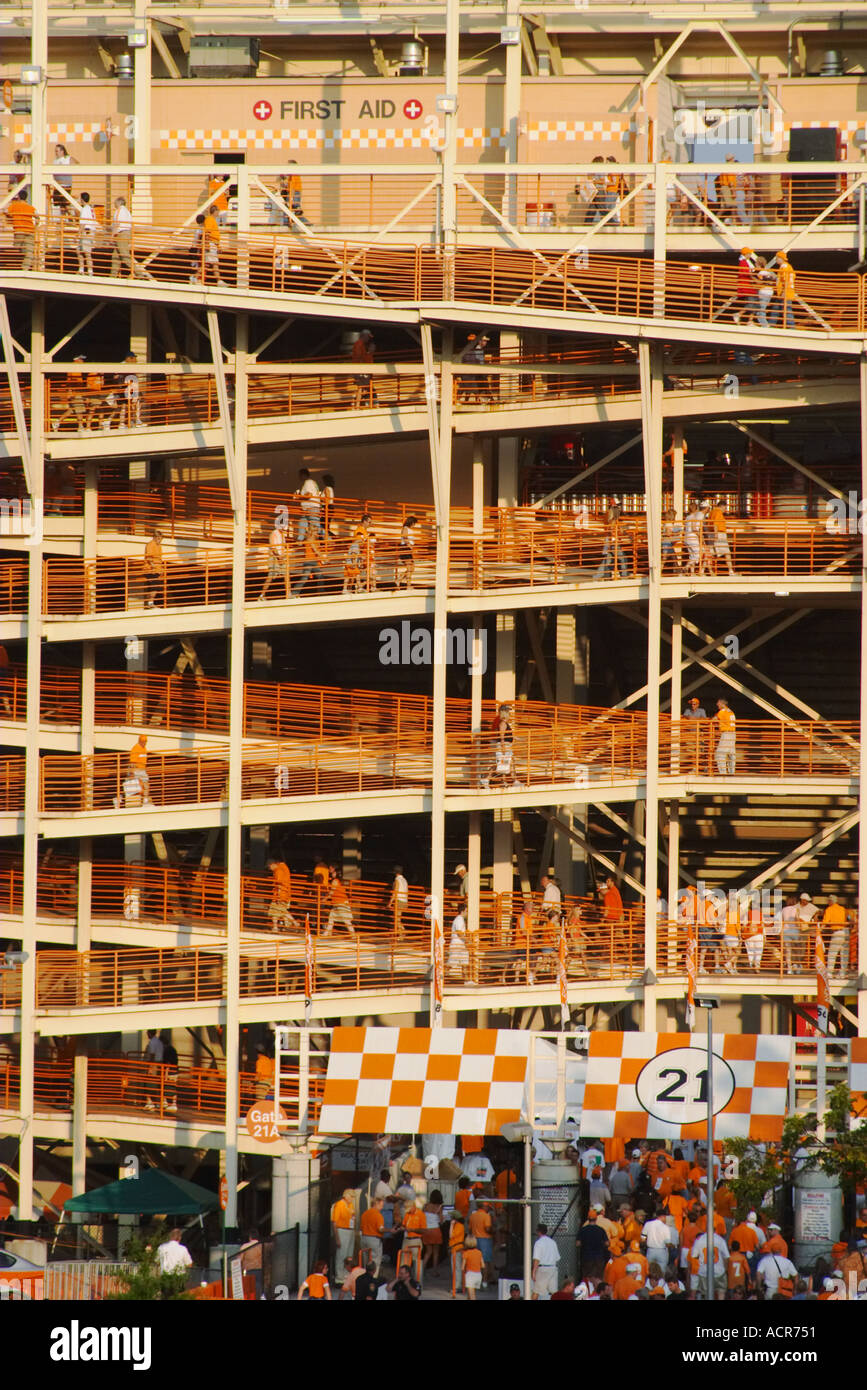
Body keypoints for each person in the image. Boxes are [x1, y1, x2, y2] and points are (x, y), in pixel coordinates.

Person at [110, 197, 149, 279]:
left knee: (125, 256)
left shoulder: (119, 211)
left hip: (121, 234)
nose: (114, 204)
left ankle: (139, 274)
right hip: (127, 234)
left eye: (115, 203)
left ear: (119, 203)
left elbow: (117, 224)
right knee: (115, 256)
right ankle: (112, 276)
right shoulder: (127, 212)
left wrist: (112, 236)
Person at [6, 189, 38, 271]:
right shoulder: (31, 208)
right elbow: (37, 217)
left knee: (17, 250)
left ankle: (16, 268)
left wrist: (11, 217)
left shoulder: (14, 206)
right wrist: (35, 227)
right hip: (30, 231)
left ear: (19, 197)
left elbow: (6, 212)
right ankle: (25, 268)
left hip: (19, 231)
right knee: (29, 252)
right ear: (26, 198)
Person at [266, 857, 298, 930]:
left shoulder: (278, 871)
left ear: (272, 864)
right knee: (278, 910)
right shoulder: (284, 867)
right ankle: (276, 927)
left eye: (269, 867)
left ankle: (293, 923)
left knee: (275, 910)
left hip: (280, 894)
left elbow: (279, 884)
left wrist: (279, 896)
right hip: (285, 893)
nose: (270, 869)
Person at [260, 520, 289, 601]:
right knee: (271, 576)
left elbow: (282, 547)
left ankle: (288, 594)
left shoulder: (282, 535)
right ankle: (262, 595)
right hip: (274, 558)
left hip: (281, 558)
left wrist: (283, 557)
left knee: (286, 575)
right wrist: (279, 557)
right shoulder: (274, 533)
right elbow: (273, 547)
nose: (284, 529)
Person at [331, 1189, 356, 1281]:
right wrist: (337, 1238)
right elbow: (334, 1223)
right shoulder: (339, 1205)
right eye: (351, 1196)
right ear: (346, 1196)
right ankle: (339, 1274)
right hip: (342, 1230)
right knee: (341, 1254)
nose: (353, 1199)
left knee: (349, 1254)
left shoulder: (351, 1205)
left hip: (350, 1230)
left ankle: (346, 1272)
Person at [532, 1222, 560, 1300]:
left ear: (538, 1231)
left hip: (543, 1269)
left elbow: (537, 1258)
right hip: (553, 1268)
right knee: (554, 1292)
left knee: (536, 1291)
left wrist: (534, 1271)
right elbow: (557, 1257)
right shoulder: (553, 1242)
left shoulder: (538, 1243)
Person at [292, 526, 323, 597]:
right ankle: (294, 593)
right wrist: (323, 558)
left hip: (313, 561)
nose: (317, 533)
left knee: (319, 576)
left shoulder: (314, 540)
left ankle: (320, 593)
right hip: (309, 561)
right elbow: (315, 550)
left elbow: (317, 550)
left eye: (317, 531)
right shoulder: (310, 539)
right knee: (305, 578)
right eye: (315, 531)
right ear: (312, 532)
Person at [823, 894, 850, 977]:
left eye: (828, 901)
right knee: (844, 954)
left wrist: (819, 930)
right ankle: (842, 973)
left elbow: (825, 922)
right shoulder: (843, 909)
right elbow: (848, 918)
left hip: (837, 932)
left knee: (832, 953)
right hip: (846, 932)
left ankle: (829, 973)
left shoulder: (829, 909)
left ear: (830, 901)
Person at [324, 872, 355, 938]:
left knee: (346, 920)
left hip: (340, 902)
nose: (332, 873)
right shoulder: (338, 881)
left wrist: (324, 899)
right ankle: (327, 933)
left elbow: (331, 892)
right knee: (331, 918)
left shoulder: (335, 881)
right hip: (339, 902)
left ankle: (353, 935)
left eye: (334, 872)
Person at [352, 328, 376, 409]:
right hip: (361, 370)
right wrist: (369, 354)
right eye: (368, 337)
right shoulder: (359, 344)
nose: (369, 339)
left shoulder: (360, 344)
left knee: (363, 388)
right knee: (363, 388)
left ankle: (357, 404)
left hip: (361, 370)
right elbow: (360, 357)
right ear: (364, 336)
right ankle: (358, 405)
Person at [772, 251, 796, 329]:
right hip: (784, 292)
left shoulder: (784, 267)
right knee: (776, 308)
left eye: (777, 258)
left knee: (786, 309)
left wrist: (784, 291)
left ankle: (791, 327)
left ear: (781, 258)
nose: (776, 260)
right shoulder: (786, 266)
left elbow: (786, 280)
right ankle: (771, 324)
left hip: (785, 292)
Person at [76, 191, 97, 275]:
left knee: (87, 253)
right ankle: (81, 269)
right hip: (91, 231)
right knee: (79, 250)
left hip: (87, 231)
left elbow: (83, 223)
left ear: (82, 199)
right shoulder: (91, 208)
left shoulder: (85, 209)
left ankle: (90, 271)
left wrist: (79, 234)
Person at [714, 697, 736, 775]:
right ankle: (731, 772)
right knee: (731, 753)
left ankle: (723, 773)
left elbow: (713, 720)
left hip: (726, 734)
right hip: (733, 734)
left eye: (718, 703)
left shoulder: (722, 711)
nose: (717, 704)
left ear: (722, 703)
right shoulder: (730, 711)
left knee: (720, 753)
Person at [395, 515, 419, 590]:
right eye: (414, 523)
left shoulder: (409, 529)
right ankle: (408, 585)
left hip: (408, 549)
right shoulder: (405, 528)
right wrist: (410, 547)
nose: (414, 525)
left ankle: (399, 579)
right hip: (405, 548)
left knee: (412, 568)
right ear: (411, 522)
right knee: (409, 567)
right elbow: (405, 538)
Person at [142, 528, 164, 609]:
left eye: (161, 539)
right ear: (154, 537)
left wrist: (161, 569)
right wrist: (153, 565)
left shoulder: (159, 546)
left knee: (156, 587)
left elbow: (159, 559)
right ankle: (150, 604)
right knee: (155, 586)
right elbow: (149, 557)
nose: (160, 540)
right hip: (150, 570)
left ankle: (149, 603)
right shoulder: (150, 544)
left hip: (156, 570)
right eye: (158, 538)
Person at [128, 734, 151, 805]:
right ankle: (142, 800)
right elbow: (132, 762)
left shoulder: (144, 749)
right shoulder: (135, 748)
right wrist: (132, 772)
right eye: (143, 741)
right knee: (139, 787)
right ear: (139, 741)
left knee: (146, 785)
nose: (144, 743)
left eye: (145, 741)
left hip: (142, 770)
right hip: (137, 770)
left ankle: (145, 799)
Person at [388, 865, 409, 939]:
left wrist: (390, 902)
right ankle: (400, 934)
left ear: (395, 873)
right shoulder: (404, 880)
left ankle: (402, 933)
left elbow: (395, 891)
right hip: (404, 901)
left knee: (396, 919)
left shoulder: (397, 880)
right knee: (398, 919)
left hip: (399, 901)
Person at [123, 355, 143, 428]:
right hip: (129, 391)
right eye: (134, 358)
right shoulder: (124, 366)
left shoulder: (133, 368)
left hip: (134, 391)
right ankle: (129, 422)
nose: (136, 360)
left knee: (136, 406)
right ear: (130, 358)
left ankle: (136, 421)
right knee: (130, 407)